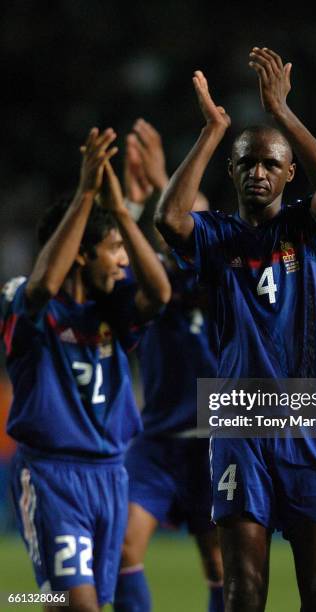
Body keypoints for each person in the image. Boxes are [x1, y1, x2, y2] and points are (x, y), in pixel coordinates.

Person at [155, 47, 316, 612]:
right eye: (247, 164)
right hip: (239, 420)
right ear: (233, 172)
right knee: (244, 594)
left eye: (270, 164)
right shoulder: (215, 237)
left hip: (309, 417)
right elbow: (168, 220)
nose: (259, 173)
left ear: (291, 173)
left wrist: (282, 114)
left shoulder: (310, 229)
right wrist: (214, 130)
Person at [0, 127, 171, 611]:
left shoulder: (112, 306)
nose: (122, 261)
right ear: (79, 251)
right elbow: (43, 285)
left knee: (69, 605)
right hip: (52, 476)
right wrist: (86, 193)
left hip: (111, 475)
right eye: (113, 249)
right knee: (81, 607)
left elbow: (159, 293)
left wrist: (120, 211)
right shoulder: (22, 299)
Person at [113, 119, 224, 612]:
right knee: (122, 551)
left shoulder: (220, 272)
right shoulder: (152, 283)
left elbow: (191, 221)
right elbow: (111, 262)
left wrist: (163, 180)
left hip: (212, 440)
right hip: (155, 442)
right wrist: (137, 202)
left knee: (220, 567)